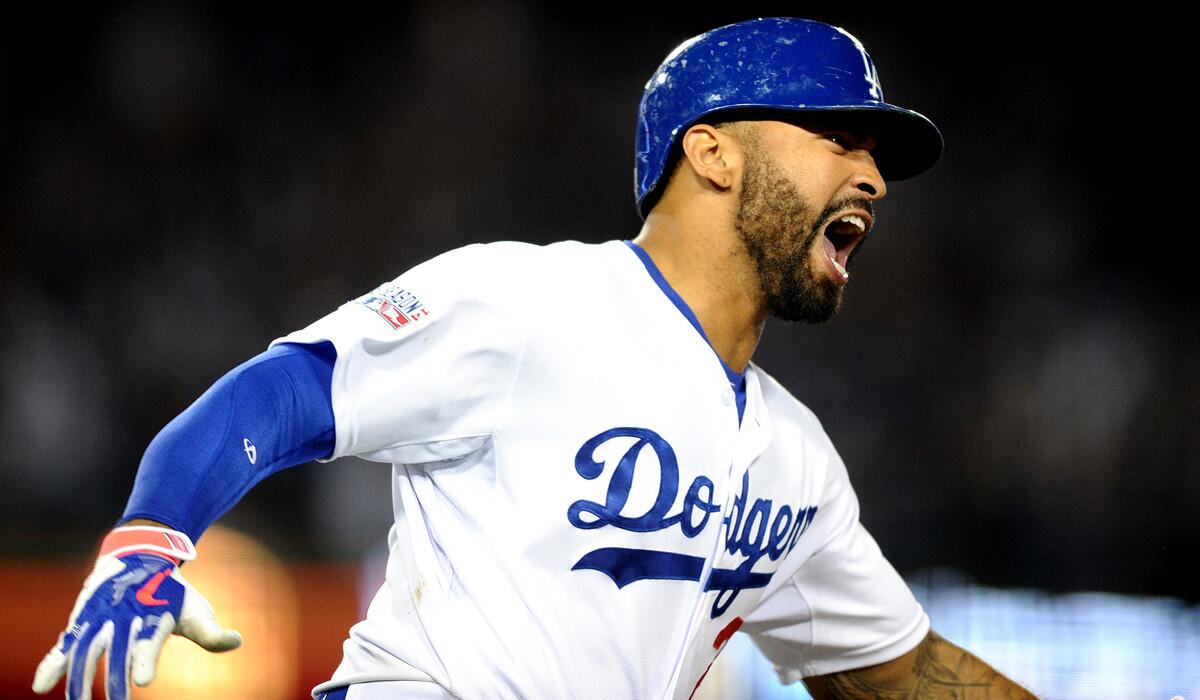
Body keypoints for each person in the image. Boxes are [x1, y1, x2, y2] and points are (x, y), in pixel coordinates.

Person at [34, 17, 1038, 700]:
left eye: (874, 153)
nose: (871, 172)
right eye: (835, 135)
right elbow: (293, 387)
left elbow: (904, 675)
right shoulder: (535, 303)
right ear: (713, 153)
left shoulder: (796, 462)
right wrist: (150, 540)